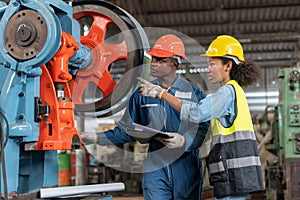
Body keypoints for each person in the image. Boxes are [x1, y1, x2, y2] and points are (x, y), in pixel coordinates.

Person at [81, 34, 210, 200]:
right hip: (155, 167)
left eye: (161, 60)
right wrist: (94, 137)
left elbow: (204, 129)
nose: (154, 64)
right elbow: (126, 130)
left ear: (175, 63)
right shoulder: (142, 94)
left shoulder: (194, 93)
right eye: (154, 59)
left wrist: (185, 141)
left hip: (185, 165)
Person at [138, 35, 264, 199]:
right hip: (238, 172)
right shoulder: (236, 91)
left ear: (228, 65)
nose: (208, 69)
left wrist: (162, 94)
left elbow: (197, 113)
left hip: (232, 172)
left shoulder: (226, 93)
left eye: (212, 64)